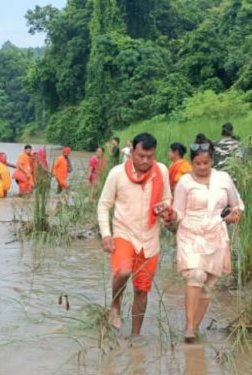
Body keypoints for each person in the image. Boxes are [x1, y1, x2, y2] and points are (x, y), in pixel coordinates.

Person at [165, 134, 244, 343]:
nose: (202, 167)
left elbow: (237, 205)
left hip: (216, 233)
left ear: (212, 160)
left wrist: (234, 215)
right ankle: (189, 327)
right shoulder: (185, 182)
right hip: (191, 232)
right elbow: (178, 212)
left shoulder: (223, 179)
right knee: (196, 275)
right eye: (198, 163)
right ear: (192, 162)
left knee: (209, 284)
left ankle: (195, 327)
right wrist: (171, 215)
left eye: (206, 163)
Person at [97, 133, 172, 337]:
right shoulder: (117, 173)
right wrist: (106, 234)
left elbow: (167, 198)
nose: (146, 161)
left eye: (150, 156)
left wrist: (165, 208)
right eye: (141, 156)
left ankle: (135, 337)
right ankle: (115, 306)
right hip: (123, 233)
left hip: (149, 238)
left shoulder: (161, 171)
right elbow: (104, 205)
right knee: (122, 271)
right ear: (131, 153)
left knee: (142, 290)